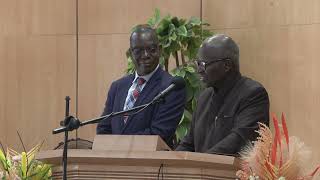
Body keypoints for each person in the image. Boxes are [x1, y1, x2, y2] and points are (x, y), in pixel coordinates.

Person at [175, 34, 269, 155]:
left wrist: (201, 162)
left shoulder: (253, 94)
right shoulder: (205, 97)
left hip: (231, 172)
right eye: (197, 64)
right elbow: (188, 143)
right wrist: (169, 161)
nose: (199, 70)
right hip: (201, 170)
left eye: (203, 64)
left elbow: (238, 141)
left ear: (226, 65)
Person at [96, 25, 186, 146]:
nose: (145, 55)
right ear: (131, 53)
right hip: (114, 161)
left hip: (151, 162)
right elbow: (103, 128)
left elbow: (160, 133)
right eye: (138, 51)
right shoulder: (117, 87)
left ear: (160, 50)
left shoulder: (171, 87)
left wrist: (118, 145)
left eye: (151, 49)